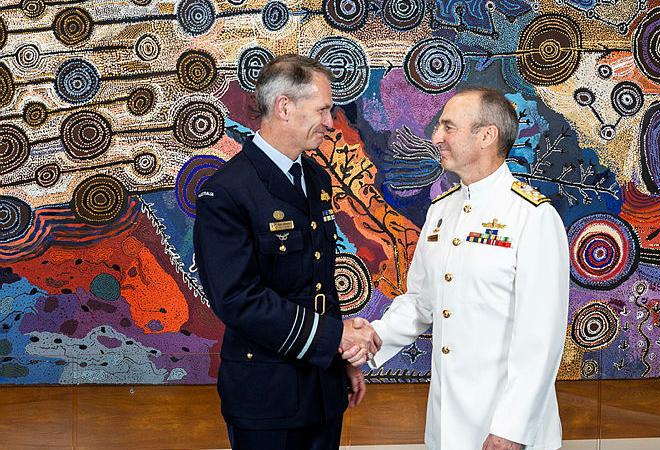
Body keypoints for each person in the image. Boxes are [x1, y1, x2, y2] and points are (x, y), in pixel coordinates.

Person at [346, 87, 570, 450]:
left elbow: (540, 339)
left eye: (448, 127)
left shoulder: (532, 217)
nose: (436, 137)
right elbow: (420, 302)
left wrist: (511, 429)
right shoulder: (442, 211)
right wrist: (369, 343)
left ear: (486, 135)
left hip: (506, 425)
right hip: (446, 421)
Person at [193, 54, 381, 450]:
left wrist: (338, 357)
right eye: (324, 110)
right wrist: (334, 337)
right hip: (267, 398)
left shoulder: (313, 177)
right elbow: (238, 300)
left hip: (321, 390)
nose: (331, 123)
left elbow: (318, 281)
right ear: (284, 107)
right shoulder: (227, 191)